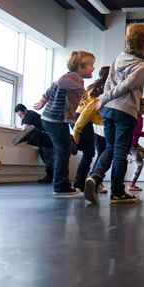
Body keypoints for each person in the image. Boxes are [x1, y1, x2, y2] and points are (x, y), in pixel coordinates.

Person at [84, 23, 144, 205]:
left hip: (108, 109)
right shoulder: (143, 66)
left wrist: (104, 99)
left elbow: (109, 81)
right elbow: (125, 87)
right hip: (125, 111)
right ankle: (117, 193)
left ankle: (94, 177)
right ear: (143, 43)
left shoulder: (120, 57)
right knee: (120, 152)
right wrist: (105, 97)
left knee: (110, 147)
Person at [35, 51, 95, 197]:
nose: (93, 69)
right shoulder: (73, 78)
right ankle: (61, 186)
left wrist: (42, 101)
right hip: (56, 120)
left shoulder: (70, 78)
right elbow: (61, 83)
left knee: (64, 148)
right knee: (63, 151)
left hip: (52, 119)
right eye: (91, 66)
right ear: (80, 67)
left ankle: (36, 136)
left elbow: (52, 88)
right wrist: (87, 96)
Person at [72, 66, 110, 193]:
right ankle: (80, 184)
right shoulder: (100, 90)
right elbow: (88, 111)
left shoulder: (94, 86)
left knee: (98, 152)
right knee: (89, 153)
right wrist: (77, 130)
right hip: (81, 120)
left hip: (84, 120)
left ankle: (94, 181)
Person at [13, 104, 53, 184]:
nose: (21, 117)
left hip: (46, 140)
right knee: (47, 159)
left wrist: (15, 129)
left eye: (21, 114)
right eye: (19, 115)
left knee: (49, 159)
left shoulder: (29, 114)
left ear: (25, 110)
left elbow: (25, 128)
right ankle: (50, 177)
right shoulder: (27, 116)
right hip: (45, 140)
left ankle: (51, 177)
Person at [129, 98, 144, 191]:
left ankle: (133, 156)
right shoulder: (136, 118)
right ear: (140, 107)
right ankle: (132, 185)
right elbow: (134, 132)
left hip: (135, 144)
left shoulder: (140, 118)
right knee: (140, 164)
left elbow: (136, 132)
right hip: (131, 145)